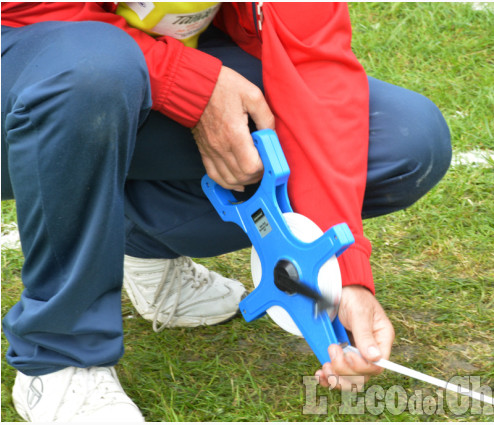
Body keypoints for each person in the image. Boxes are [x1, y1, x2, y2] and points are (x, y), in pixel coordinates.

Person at [1, 2, 452, 422]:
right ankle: (59, 358)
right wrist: (189, 84)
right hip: (31, 60)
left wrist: (339, 276)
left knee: (398, 140)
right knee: (94, 70)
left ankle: (140, 242)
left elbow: (315, 69)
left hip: (126, 62)